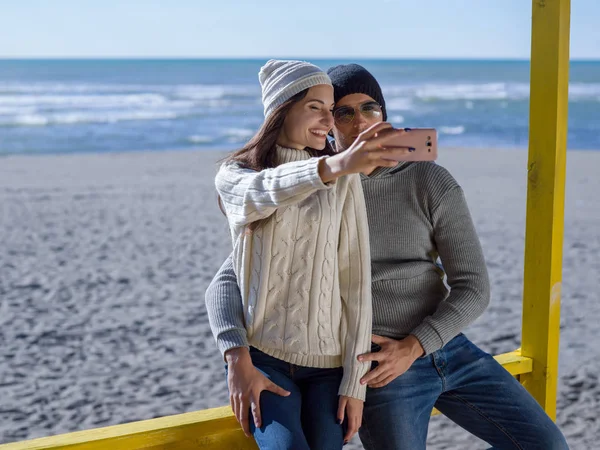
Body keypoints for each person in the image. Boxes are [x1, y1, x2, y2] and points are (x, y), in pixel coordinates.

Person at [207, 63, 569, 450]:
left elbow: (474, 287)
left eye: (370, 108)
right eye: (342, 112)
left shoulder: (430, 180)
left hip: (448, 347)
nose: (358, 121)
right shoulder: (320, 188)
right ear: (329, 126)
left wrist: (416, 345)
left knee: (548, 445)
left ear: (385, 114)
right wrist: (236, 357)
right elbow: (237, 274)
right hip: (379, 365)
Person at [213, 59, 411, 449]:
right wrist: (237, 361)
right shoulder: (237, 174)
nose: (326, 120)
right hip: (264, 361)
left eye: (329, 109)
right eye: (315, 107)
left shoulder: (342, 181)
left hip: (329, 369)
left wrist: (355, 385)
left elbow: (355, 285)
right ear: (281, 110)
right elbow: (265, 190)